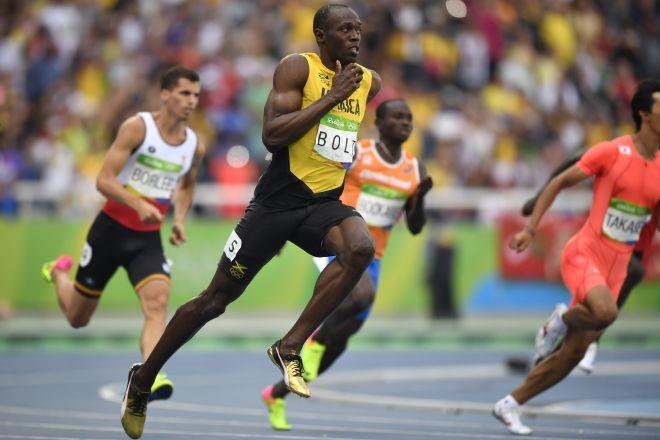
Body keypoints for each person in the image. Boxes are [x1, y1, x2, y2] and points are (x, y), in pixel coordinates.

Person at [120, 5, 382, 438]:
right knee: (213, 302)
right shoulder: (298, 68)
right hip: (276, 205)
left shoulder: (368, 81)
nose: (355, 36)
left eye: (358, 29)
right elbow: (272, 136)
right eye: (344, 29)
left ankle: (290, 345)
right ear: (321, 35)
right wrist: (331, 97)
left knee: (359, 248)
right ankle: (143, 378)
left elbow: (340, 136)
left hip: (323, 203)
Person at [493, 79, 660, 436]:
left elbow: (651, 223)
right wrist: (531, 229)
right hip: (586, 252)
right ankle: (561, 318)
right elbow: (559, 182)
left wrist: (642, 257)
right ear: (644, 114)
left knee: (572, 354)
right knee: (606, 314)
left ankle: (510, 403)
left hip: (617, 267)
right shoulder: (613, 151)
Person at [260, 99, 433, 431]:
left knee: (340, 342)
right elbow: (320, 182)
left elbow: (415, 227)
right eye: (397, 117)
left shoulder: (415, 169)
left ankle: (276, 395)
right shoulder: (358, 153)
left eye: (409, 118)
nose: (405, 123)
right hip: (339, 240)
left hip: (374, 257)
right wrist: (282, 231)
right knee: (361, 296)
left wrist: (420, 197)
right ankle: (308, 342)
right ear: (378, 123)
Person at [41, 66, 205, 402]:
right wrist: (137, 203)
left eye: (196, 95)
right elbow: (103, 180)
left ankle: (151, 374)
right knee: (77, 318)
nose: (192, 101)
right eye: (185, 93)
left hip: (147, 239)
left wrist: (179, 219)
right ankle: (58, 273)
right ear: (165, 94)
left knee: (158, 302)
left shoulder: (194, 145)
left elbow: (187, 184)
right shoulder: (138, 128)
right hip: (110, 232)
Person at [506, 153, 654, 375]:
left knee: (628, 276)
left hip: (636, 241)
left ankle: (554, 351)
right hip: (604, 237)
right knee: (630, 273)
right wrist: (538, 198)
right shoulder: (624, 150)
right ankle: (579, 342)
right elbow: (576, 163)